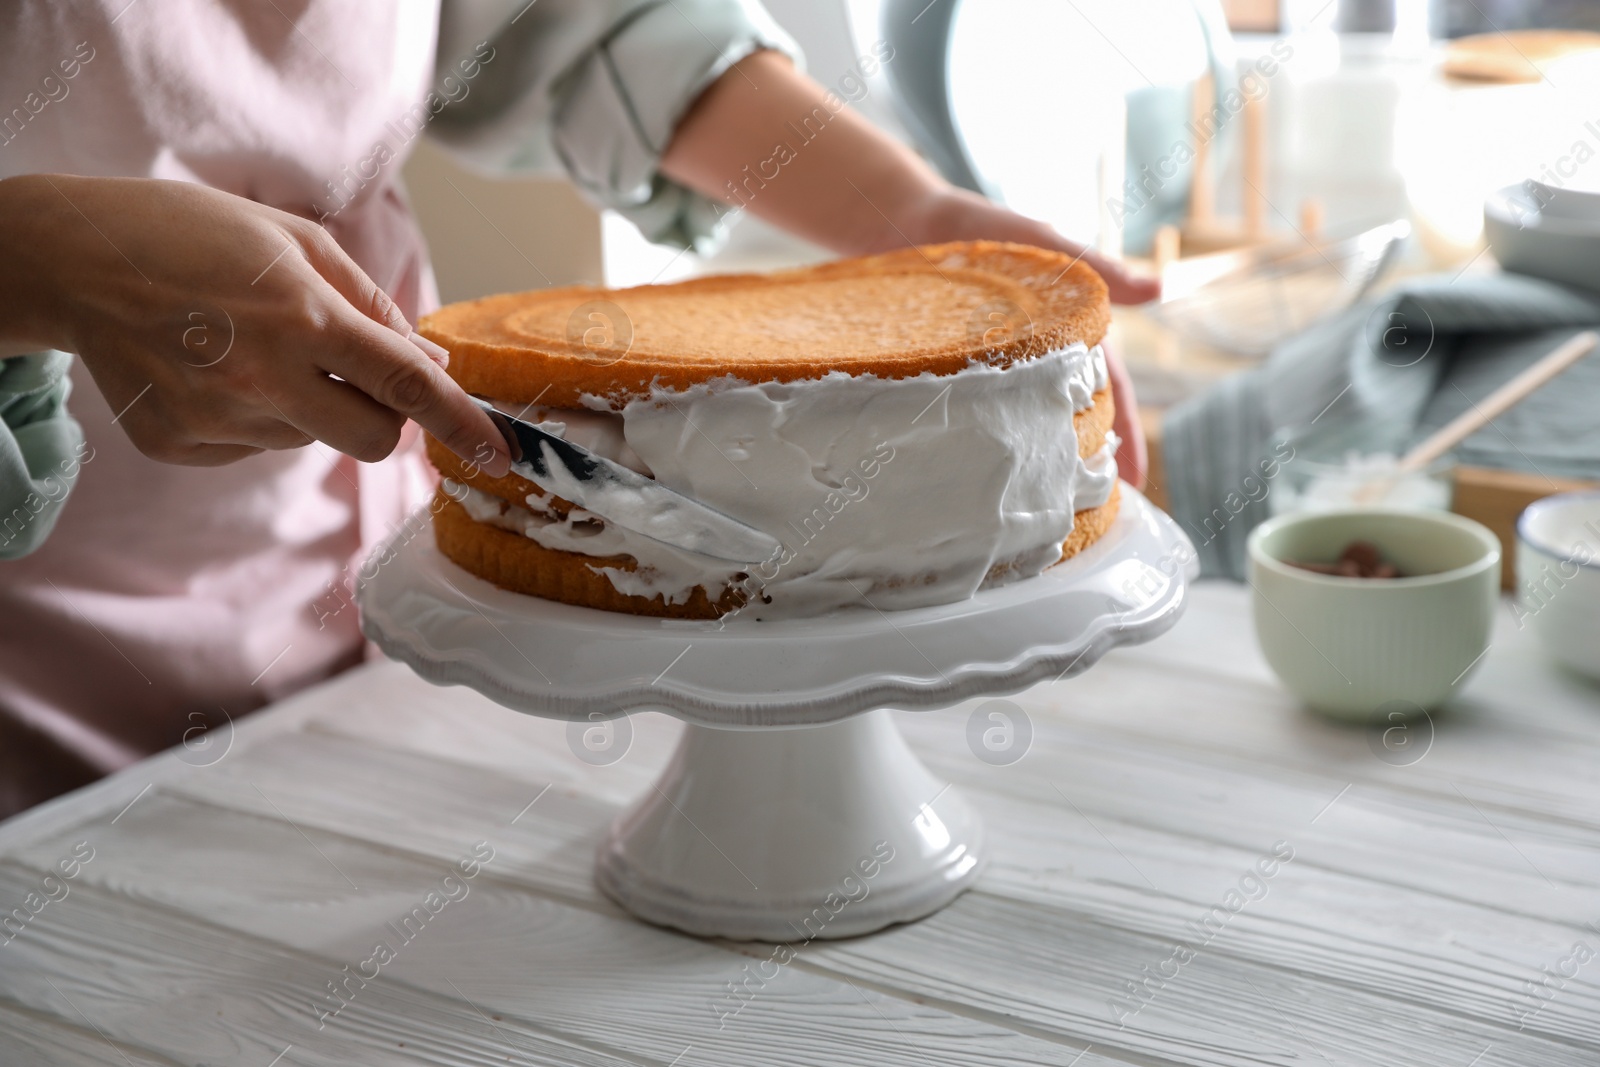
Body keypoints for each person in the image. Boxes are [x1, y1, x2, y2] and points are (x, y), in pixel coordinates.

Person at [0, 0, 1154, 819]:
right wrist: (35, 261)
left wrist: (902, 213)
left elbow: (565, 23)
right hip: (41, 677)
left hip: (379, 588)